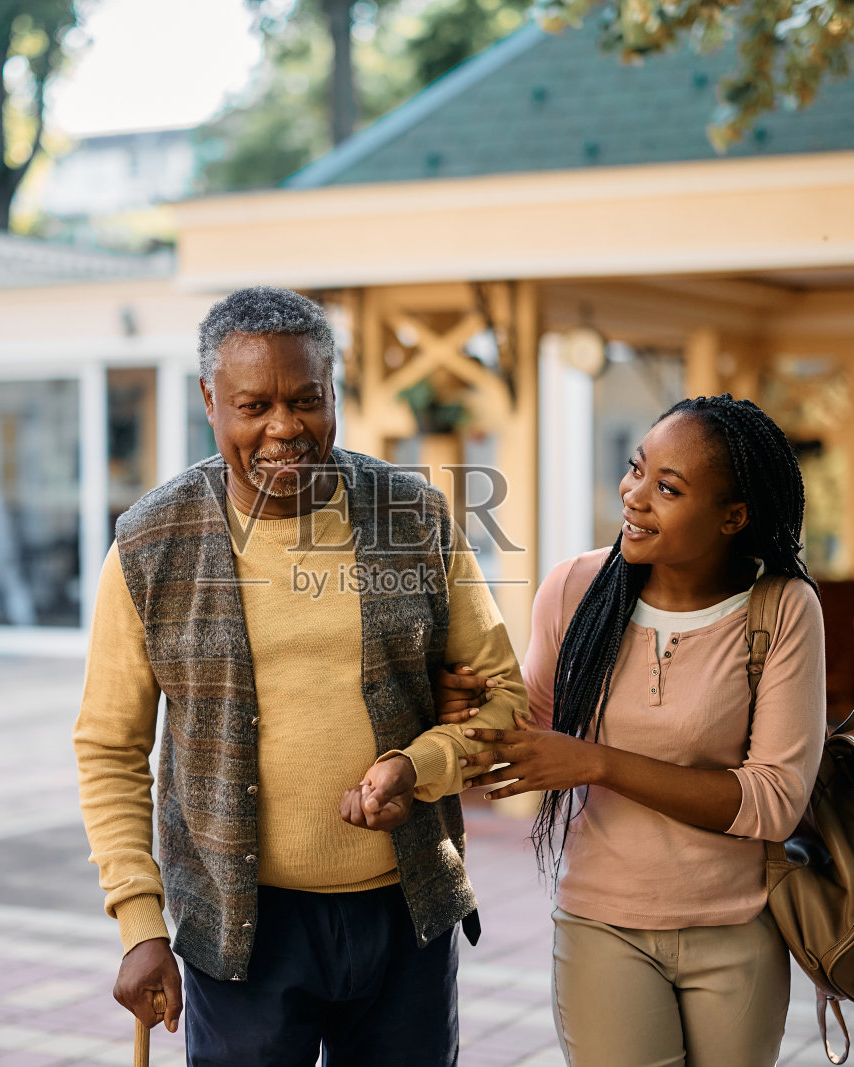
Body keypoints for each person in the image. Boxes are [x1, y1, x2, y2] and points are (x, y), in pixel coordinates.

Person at [73, 286, 525, 1067]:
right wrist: (140, 924)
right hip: (240, 930)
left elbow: (503, 698)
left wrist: (418, 767)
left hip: (405, 913)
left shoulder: (414, 516)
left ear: (333, 393)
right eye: (254, 405)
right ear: (209, 400)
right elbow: (110, 750)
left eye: (306, 399)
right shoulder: (149, 548)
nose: (284, 427)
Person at [437, 395, 825, 1067]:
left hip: (738, 929)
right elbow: (519, 732)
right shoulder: (575, 587)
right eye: (635, 469)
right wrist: (460, 708)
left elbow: (773, 800)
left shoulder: (783, 609)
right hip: (602, 925)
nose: (634, 496)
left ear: (734, 517)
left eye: (667, 488)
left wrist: (598, 763)